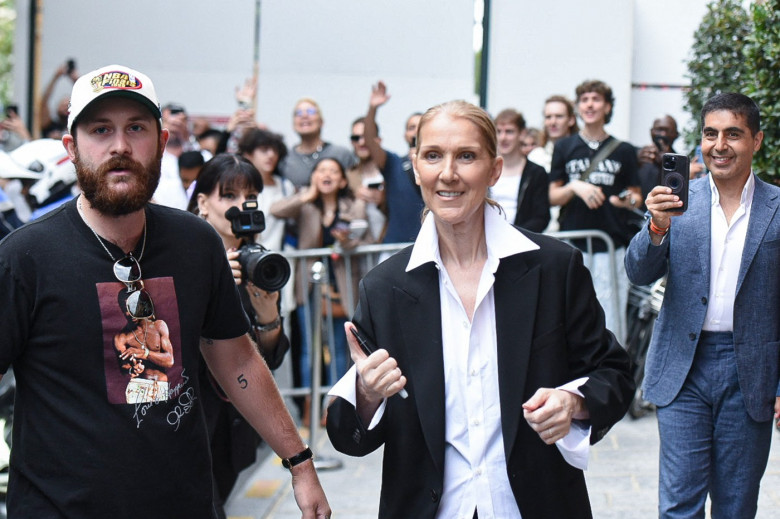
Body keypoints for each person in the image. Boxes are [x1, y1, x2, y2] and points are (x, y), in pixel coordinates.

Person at [0, 64, 330, 518]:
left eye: (136, 128)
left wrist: (300, 463)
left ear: (160, 141)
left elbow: (237, 359)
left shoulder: (197, 243)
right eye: (101, 130)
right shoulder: (25, 257)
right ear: (72, 148)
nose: (120, 145)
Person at [326, 99, 634, 518]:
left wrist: (573, 402)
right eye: (433, 156)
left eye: (466, 156)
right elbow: (348, 436)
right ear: (416, 167)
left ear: (494, 169)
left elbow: (614, 374)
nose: (448, 173)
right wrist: (366, 392)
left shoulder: (554, 267)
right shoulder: (384, 287)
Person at [625, 92, 780, 518]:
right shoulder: (678, 202)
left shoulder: (777, 208)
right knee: (679, 504)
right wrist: (656, 227)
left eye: (733, 133)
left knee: (736, 504)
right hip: (683, 366)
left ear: (757, 140)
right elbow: (638, 272)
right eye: (710, 134)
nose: (720, 145)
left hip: (749, 370)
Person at [188, 153, 292, 518]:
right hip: (187, 421)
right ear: (203, 203)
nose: (239, 207)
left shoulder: (255, 260)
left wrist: (266, 313)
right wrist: (208, 286)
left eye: (249, 197)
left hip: (234, 425)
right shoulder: (178, 255)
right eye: (228, 196)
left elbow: (270, 357)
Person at [271, 157, 371, 426]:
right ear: (314, 176)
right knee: (308, 349)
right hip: (310, 285)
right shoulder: (305, 204)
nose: (327, 174)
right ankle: (308, 406)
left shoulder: (354, 204)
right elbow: (276, 210)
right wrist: (308, 195)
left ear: (341, 180)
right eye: (321, 170)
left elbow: (365, 237)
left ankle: (335, 407)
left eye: (333, 171)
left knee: (340, 347)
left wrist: (348, 241)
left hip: (342, 285)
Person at [549, 79, 642, 338]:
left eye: (596, 99)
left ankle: (611, 375)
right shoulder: (564, 147)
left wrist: (626, 200)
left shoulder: (623, 150)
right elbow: (553, 196)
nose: (590, 104)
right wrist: (575, 187)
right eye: (584, 100)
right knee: (569, 315)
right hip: (573, 244)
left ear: (607, 107)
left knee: (610, 317)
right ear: (578, 108)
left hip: (610, 243)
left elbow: (636, 195)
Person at [361, 81, 425, 245]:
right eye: (411, 127)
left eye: (421, 126)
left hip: (428, 247)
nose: (416, 131)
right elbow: (369, 140)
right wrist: (372, 109)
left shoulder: (441, 165)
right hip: (395, 247)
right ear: (405, 134)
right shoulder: (393, 163)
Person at [491, 108, 550, 232]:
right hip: (486, 238)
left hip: (522, 241)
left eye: (509, 132)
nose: (503, 137)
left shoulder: (536, 173)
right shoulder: (485, 170)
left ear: (522, 134)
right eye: (498, 131)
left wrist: (515, 234)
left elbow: (541, 217)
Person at [280, 98, 354, 189]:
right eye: (298, 113)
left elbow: (354, 188)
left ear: (321, 122)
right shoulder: (285, 159)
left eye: (311, 112)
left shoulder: (341, 154)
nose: (304, 116)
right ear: (293, 124)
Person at [527, 94, 579, 174]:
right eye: (548, 117)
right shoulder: (536, 157)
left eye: (559, 116)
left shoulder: (581, 154)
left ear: (571, 120)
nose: (553, 122)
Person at [38, 60, 78, 139]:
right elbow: (44, 102)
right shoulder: (49, 124)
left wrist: (76, 80)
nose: (65, 107)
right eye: (63, 105)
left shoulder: (77, 126)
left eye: (68, 105)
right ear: (57, 108)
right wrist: (55, 77)